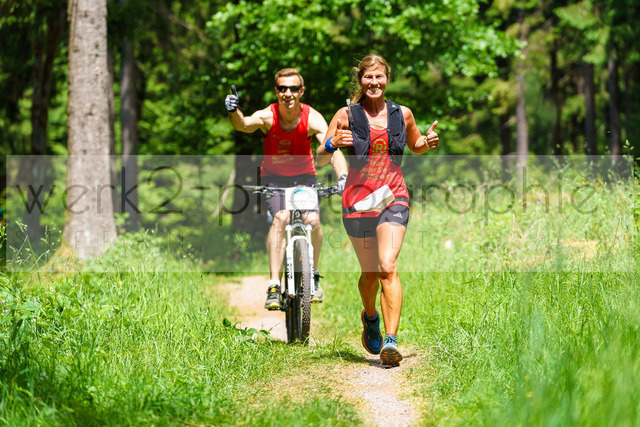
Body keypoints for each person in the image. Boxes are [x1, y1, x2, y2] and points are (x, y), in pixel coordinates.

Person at [317, 54, 439, 366]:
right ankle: (370, 317)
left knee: (387, 266)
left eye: (379, 77)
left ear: (387, 79)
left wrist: (427, 141)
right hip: (358, 202)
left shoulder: (402, 114)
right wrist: (332, 143)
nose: (374, 83)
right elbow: (319, 157)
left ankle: (391, 340)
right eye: (368, 77)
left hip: (393, 196)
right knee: (370, 274)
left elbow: (416, 145)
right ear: (360, 80)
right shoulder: (346, 115)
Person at [225, 68, 348, 310]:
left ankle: (314, 276)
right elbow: (243, 124)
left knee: (313, 220)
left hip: (304, 179)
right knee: (280, 218)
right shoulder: (268, 116)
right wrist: (233, 110)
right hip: (275, 180)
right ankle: (274, 284)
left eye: (293, 88)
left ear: (301, 91)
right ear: (276, 91)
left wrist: (343, 177)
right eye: (282, 88)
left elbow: (331, 149)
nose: (288, 93)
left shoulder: (312, 118)